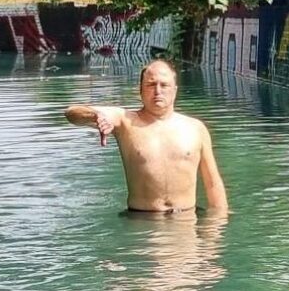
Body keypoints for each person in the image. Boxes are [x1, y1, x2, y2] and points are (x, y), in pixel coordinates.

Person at [64, 59, 228, 213]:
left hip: (185, 220)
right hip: (141, 221)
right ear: (140, 90)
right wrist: (94, 116)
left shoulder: (196, 128)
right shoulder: (125, 121)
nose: (157, 91)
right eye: (151, 84)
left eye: (164, 85)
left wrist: (215, 231)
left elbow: (213, 183)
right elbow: (71, 113)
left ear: (175, 90)